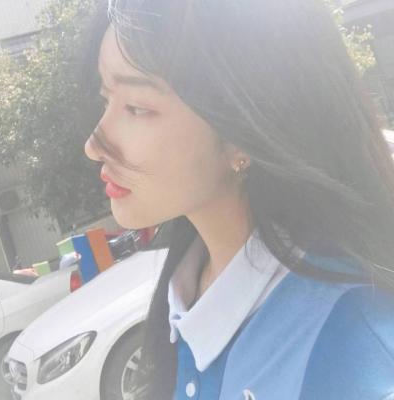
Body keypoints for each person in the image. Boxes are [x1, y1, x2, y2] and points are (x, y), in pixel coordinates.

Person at [83, 1, 394, 399]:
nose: (94, 145)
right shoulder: (186, 291)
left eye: (137, 108)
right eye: (105, 99)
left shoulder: (349, 348)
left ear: (243, 131)